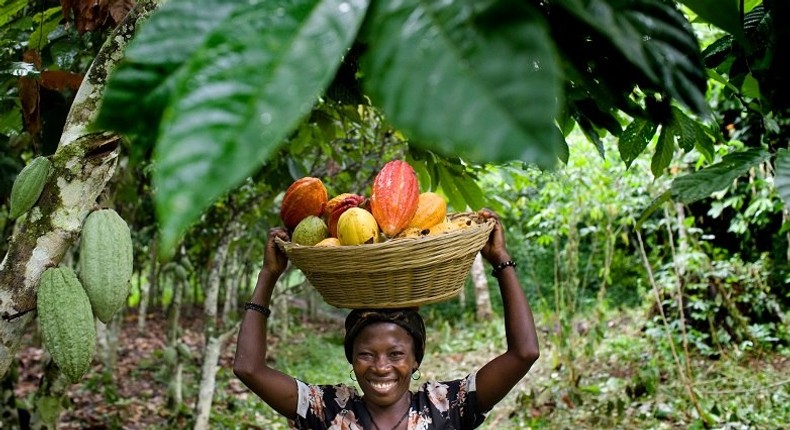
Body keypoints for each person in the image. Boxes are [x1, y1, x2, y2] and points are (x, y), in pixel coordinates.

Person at [234, 209, 540, 429]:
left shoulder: (445, 407)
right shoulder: (328, 409)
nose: (381, 367)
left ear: (416, 359)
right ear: (351, 360)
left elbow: (524, 353)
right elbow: (248, 368)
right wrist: (268, 275)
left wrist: (501, 260)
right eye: (366, 354)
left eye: (396, 354)